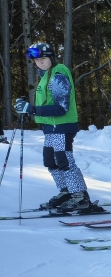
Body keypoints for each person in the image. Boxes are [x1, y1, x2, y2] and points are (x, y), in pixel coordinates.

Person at [15, 43, 91, 211]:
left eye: (43, 59)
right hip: (51, 126)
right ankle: (66, 192)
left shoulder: (58, 75)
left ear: (51, 58)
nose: (40, 62)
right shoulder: (45, 76)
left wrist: (33, 109)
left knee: (64, 160)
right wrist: (27, 108)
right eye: (37, 60)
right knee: (50, 160)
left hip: (62, 125)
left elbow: (61, 108)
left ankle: (80, 196)